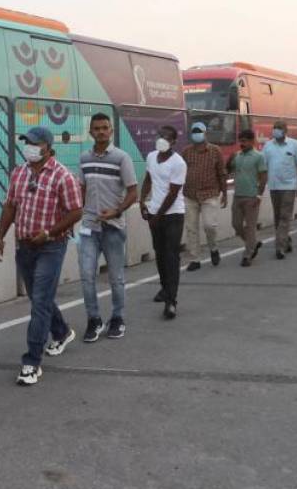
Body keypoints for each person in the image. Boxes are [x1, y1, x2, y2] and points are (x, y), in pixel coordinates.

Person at [0, 126, 82, 385]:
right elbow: (10, 206)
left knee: (40, 301)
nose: (28, 146)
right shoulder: (19, 173)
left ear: (48, 148)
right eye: (26, 142)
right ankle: (62, 332)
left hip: (51, 247)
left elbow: (75, 211)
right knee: (38, 298)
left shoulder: (62, 176)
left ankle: (31, 361)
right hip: (25, 246)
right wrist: (0, 236)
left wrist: (49, 232)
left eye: (34, 143)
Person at [76, 113, 138, 341]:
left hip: (114, 227)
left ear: (111, 131)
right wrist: (74, 216)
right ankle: (94, 320)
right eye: (97, 128)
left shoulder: (122, 158)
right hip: (89, 227)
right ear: (90, 132)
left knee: (116, 277)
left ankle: (118, 318)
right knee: (86, 275)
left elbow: (133, 191)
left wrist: (117, 210)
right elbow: (80, 191)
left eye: (105, 128)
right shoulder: (84, 158)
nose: (101, 131)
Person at [140, 125, 186, 320]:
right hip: (154, 213)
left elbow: (173, 193)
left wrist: (157, 216)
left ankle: (171, 301)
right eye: (160, 136)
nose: (162, 139)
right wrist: (142, 201)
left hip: (173, 214)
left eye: (167, 137)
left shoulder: (178, 163)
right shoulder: (151, 157)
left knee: (171, 256)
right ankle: (165, 288)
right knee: (159, 254)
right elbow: (148, 179)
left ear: (174, 141)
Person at [181, 122, 227, 271]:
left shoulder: (215, 151)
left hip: (210, 194)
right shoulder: (187, 151)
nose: (196, 134)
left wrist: (225, 193)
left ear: (205, 133)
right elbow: (180, 171)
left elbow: (222, 173)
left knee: (209, 225)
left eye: (199, 131)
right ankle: (195, 259)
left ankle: (213, 248)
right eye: (194, 131)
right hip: (190, 194)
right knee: (191, 228)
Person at [261, 121, 297, 259]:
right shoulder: (268, 146)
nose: (276, 130)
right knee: (277, 217)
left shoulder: (294, 144)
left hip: (289, 186)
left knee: (284, 216)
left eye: (279, 128)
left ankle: (279, 247)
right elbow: (263, 167)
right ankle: (286, 241)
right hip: (274, 186)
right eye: (274, 128)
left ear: (286, 130)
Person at [227, 130, 267, 267]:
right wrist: (229, 160)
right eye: (240, 141)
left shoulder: (258, 156)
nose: (242, 144)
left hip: (251, 197)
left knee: (250, 227)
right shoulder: (237, 156)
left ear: (252, 141)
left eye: (244, 141)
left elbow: (263, 177)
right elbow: (228, 170)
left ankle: (247, 255)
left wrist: (259, 195)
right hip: (237, 196)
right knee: (236, 224)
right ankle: (253, 244)